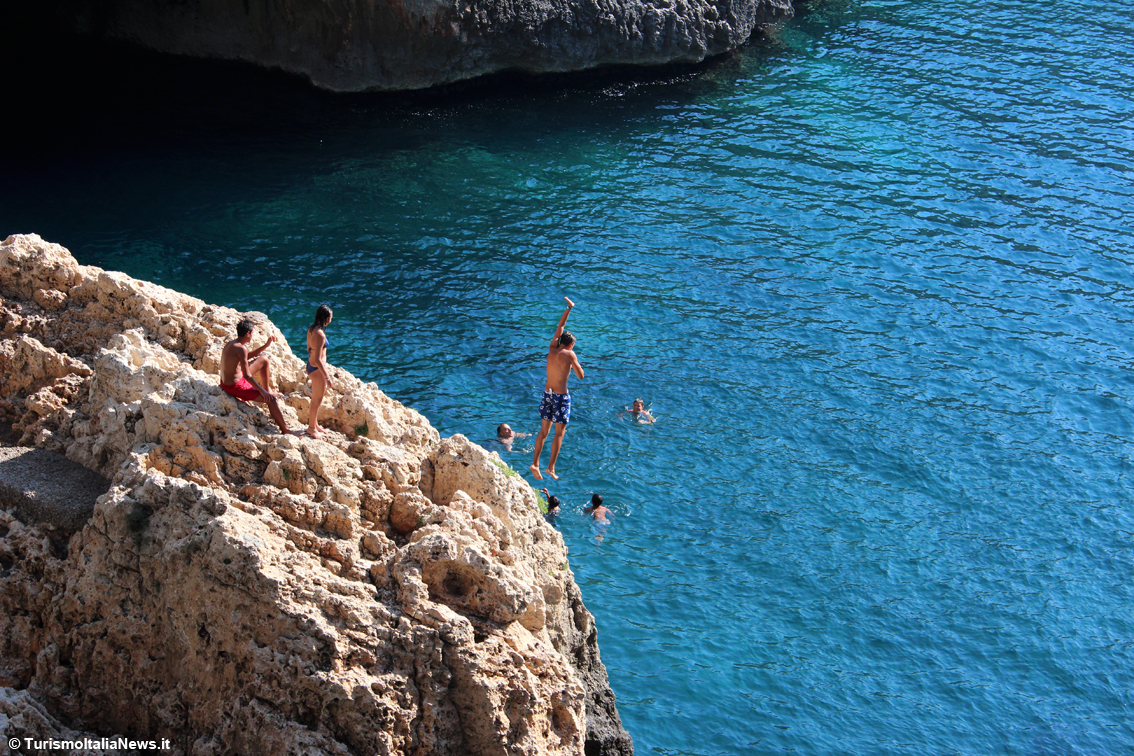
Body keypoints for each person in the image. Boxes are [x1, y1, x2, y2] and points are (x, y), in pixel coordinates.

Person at [530, 297, 584, 480]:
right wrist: (574, 361)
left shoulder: (552, 347)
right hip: (561, 397)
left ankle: (535, 463)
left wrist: (569, 308)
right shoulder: (570, 354)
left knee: (543, 431)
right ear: (571, 344)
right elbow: (581, 376)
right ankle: (550, 468)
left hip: (547, 394)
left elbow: (560, 328)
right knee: (559, 433)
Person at [219, 318, 297, 435]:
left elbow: (244, 358)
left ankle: (268, 390)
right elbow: (247, 376)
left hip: (226, 381)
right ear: (248, 334)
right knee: (271, 400)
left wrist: (265, 346)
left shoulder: (232, 343)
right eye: (253, 333)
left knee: (264, 359)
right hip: (234, 386)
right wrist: (263, 393)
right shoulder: (241, 348)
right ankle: (285, 430)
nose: (253, 335)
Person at [305, 305, 335, 439]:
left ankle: (315, 424)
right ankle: (311, 428)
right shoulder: (321, 334)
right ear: (327, 318)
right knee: (317, 399)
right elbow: (317, 359)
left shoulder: (312, 329)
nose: (331, 320)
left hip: (311, 366)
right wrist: (327, 377)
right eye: (331, 317)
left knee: (316, 398)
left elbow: (308, 349)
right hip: (317, 369)